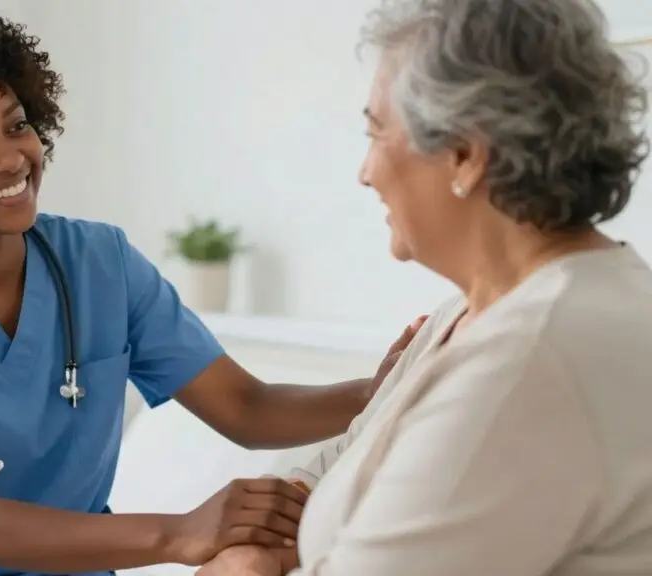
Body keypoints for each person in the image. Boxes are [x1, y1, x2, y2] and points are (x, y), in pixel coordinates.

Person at [0, 9, 419, 576]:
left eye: (17, 126)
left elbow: (246, 407)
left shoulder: (101, 263)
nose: (10, 158)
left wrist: (378, 393)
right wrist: (180, 533)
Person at [198, 0, 652, 574]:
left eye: (376, 132)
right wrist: (258, 549)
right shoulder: (463, 317)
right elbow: (334, 473)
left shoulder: (531, 359)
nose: (365, 173)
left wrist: (246, 567)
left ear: (465, 154)